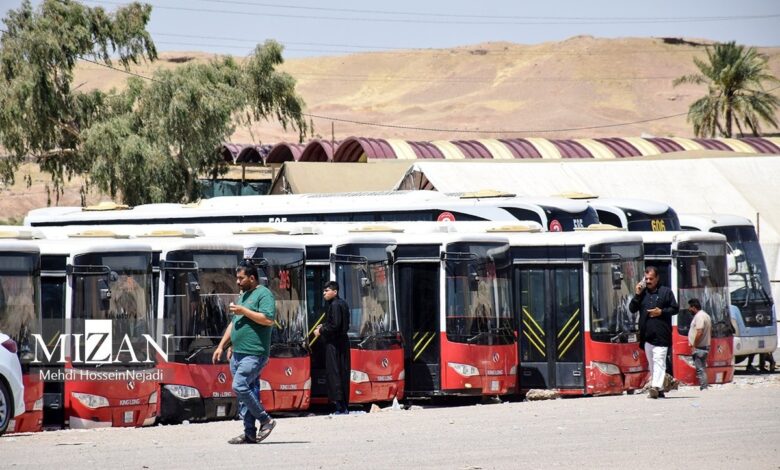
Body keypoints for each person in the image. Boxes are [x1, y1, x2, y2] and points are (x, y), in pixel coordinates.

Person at [212, 260, 276, 444]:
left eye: (241, 278)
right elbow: (234, 324)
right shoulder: (244, 296)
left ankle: (266, 420)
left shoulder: (263, 294)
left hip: (254, 353)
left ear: (252, 278)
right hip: (238, 353)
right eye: (237, 278)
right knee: (246, 393)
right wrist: (222, 346)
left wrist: (244, 310)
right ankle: (249, 433)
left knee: (239, 385)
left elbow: (268, 319)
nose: (238, 282)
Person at [630, 266, 679, 399]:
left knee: (659, 361)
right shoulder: (642, 293)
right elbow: (632, 309)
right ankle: (661, 389)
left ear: (657, 278)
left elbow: (675, 308)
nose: (649, 281)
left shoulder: (666, 292)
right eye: (646, 279)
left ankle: (655, 386)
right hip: (647, 335)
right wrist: (637, 294)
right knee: (652, 363)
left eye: (651, 278)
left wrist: (661, 312)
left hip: (662, 334)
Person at [314, 281, 351, 415]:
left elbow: (335, 325)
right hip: (343, 342)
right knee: (343, 372)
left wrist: (321, 330)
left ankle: (339, 406)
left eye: (327, 290)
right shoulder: (343, 304)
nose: (324, 293)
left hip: (334, 344)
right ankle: (344, 406)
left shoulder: (334, 305)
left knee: (334, 373)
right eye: (323, 291)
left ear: (335, 292)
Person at [687, 298, 712, 390]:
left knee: (700, 368)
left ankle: (704, 387)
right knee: (702, 368)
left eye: (690, 307)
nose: (689, 309)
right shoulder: (705, 315)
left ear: (693, 307)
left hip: (699, 347)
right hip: (704, 346)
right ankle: (704, 386)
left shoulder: (700, 316)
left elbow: (699, 332)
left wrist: (694, 345)